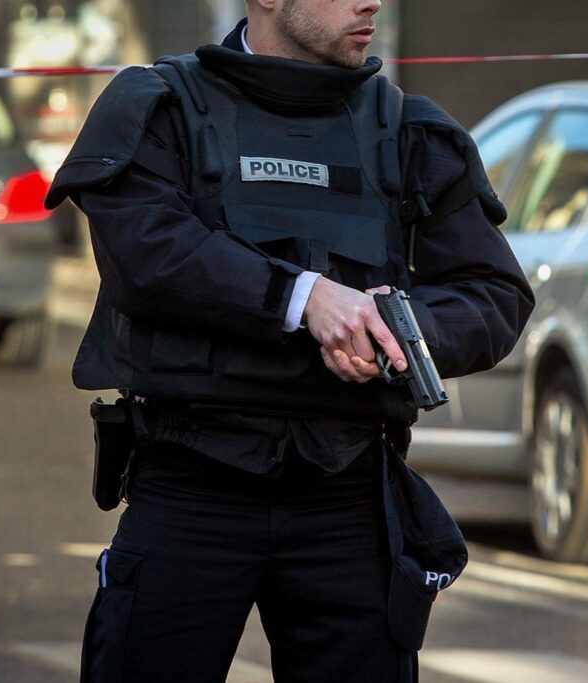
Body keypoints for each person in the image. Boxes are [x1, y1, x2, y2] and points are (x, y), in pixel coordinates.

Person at [44, 0, 534, 680]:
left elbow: (494, 292)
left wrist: (396, 332)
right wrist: (304, 300)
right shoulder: (162, 107)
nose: (372, 2)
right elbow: (145, 251)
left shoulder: (409, 132)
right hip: (194, 481)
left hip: (349, 493)